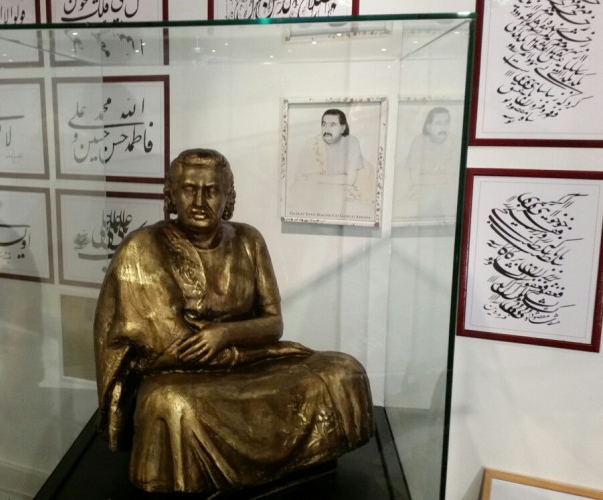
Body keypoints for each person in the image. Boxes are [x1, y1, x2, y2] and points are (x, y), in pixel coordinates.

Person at [94, 148, 374, 493]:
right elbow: (175, 348)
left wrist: (225, 334)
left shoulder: (248, 240)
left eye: (211, 191)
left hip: (249, 361)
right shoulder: (143, 249)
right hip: (182, 375)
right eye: (189, 190)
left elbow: (274, 324)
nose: (199, 202)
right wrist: (231, 345)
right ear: (171, 196)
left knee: (344, 371)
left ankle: (303, 460)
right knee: (171, 405)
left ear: (228, 199)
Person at [294, 108, 365, 200]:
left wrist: (315, 178)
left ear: (342, 128)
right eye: (324, 124)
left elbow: (350, 180)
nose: (326, 129)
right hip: (322, 192)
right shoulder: (312, 143)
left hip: (353, 189)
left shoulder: (351, 142)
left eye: (332, 125)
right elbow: (301, 177)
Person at [403, 106, 460, 199]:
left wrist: (426, 179)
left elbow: (456, 179)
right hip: (423, 193)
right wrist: (443, 179)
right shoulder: (418, 142)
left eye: (446, 122)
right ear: (428, 127)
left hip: (446, 194)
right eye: (438, 123)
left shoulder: (456, 142)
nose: (444, 127)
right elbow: (415, 179)